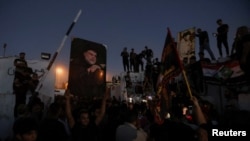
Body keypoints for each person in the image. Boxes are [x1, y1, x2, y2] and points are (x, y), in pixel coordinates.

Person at [13, 52, 33, 118]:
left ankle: (23, 114)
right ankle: (16, 116)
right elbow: (16, 65)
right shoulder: (17, 60)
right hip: (18, 90)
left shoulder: (25, 62)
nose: (22, 56)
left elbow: (26, 68)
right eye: (21, 54)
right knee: (17, 103)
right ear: (20, 55)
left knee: (23, 102)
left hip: (24, 89)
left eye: (23, 55)